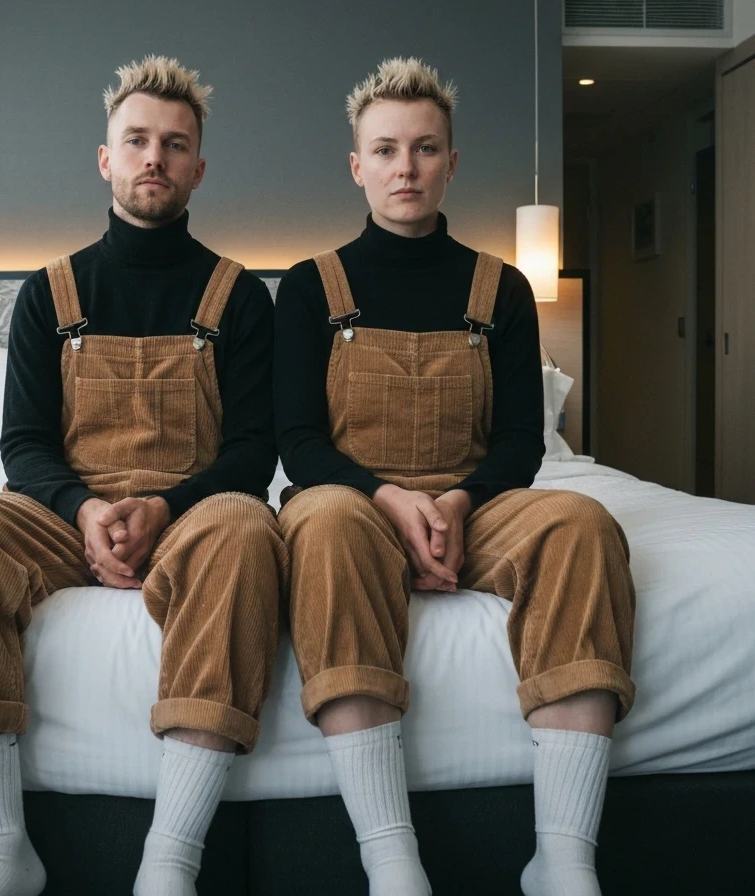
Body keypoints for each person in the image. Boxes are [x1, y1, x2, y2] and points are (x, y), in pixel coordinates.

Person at [0, 55, 286, 896]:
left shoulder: (240, 298)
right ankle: (1, 847)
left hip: (193, 510)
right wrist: (83, 510)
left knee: (252, 528)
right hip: (64, 510)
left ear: (198, 169)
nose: (156, 158)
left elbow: (254, 453)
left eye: (175, 145)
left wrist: (161, 505)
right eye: (137, 140)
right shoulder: (48, 293)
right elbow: (24, 445)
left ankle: (171, 856)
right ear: (105, 158)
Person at [273, 57, 637, 896]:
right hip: (353, 503)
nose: (407, 168)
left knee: (580, 523)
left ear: (452, 163)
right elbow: (298, 441)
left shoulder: (502, 287)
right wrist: (391, 499)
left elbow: (520, 439)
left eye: (426, 148)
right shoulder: (307, 287)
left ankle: (565, 857)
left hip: (476, 500)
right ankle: (391, 858)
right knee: (324, 524)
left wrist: (459, 501)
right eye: (388, 150)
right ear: (357, 165)